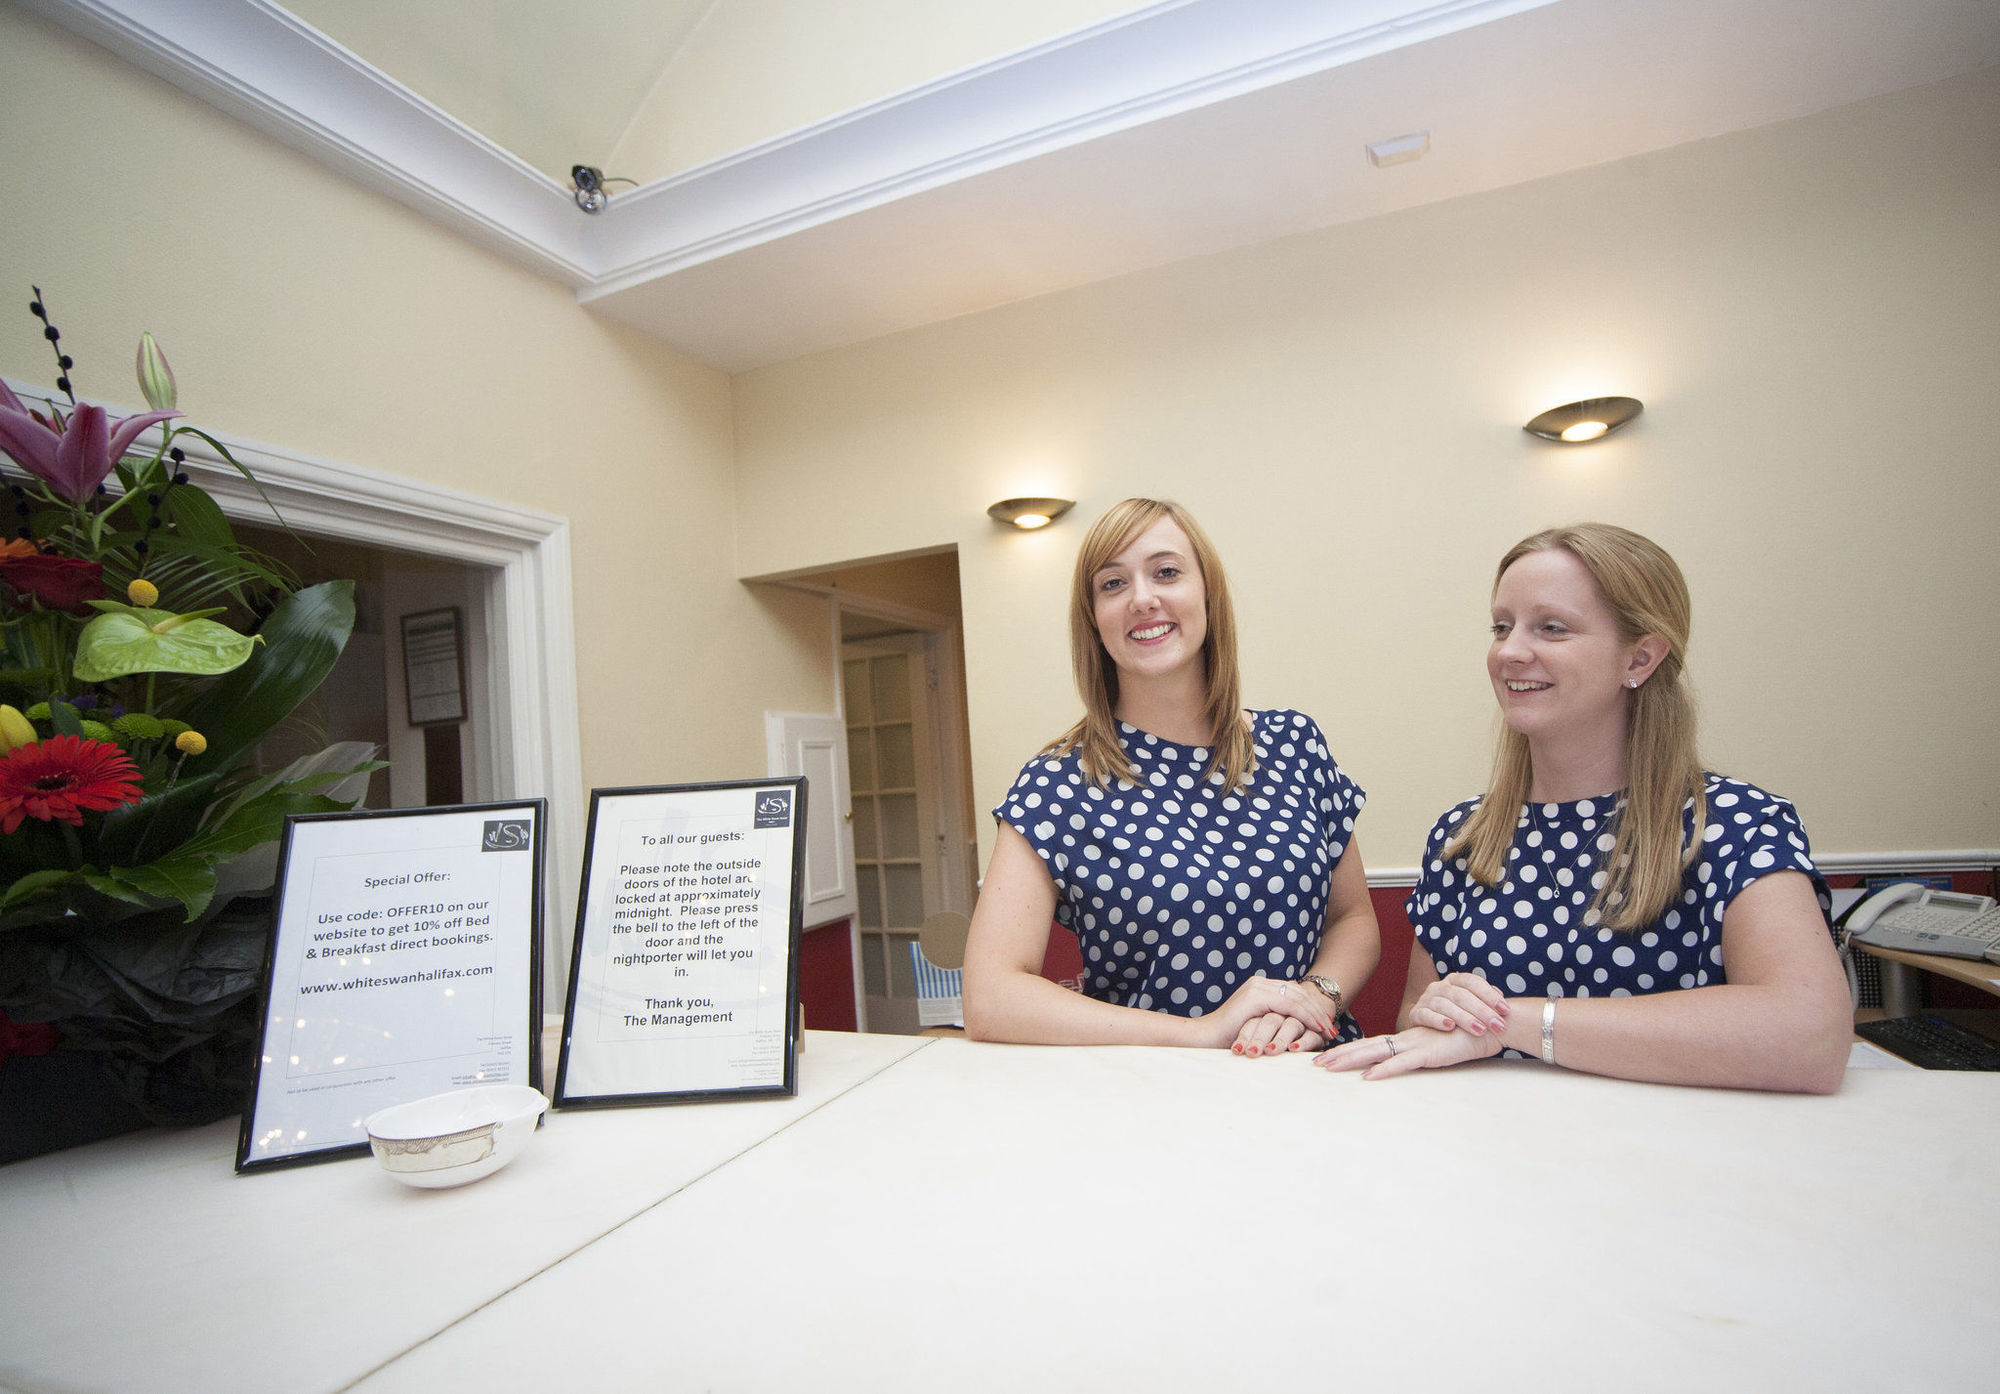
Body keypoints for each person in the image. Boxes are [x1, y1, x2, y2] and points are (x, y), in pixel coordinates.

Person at [1316, 523, 1850, 1093]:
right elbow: (1417, 1027)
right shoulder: (1464, 837)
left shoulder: (1736, 825)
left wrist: (1516, 1024)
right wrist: (1442, 1013)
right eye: (1502, 627)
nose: (1510, 652)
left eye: (1552, 628)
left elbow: (1809, 1038)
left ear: (1640, 658)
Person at [963, 498, 1379, 1055]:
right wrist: (1204, 1032)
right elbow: (990, 998)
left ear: (1207, 593)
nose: (1142, 599)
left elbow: (1353, 917)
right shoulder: (1057, 784)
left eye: (1166, 572)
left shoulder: (1295, 744)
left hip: (1312, 1071)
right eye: (1112, 584)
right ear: (1094, 620)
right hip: (1154, 1098)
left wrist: (1315, 1000)